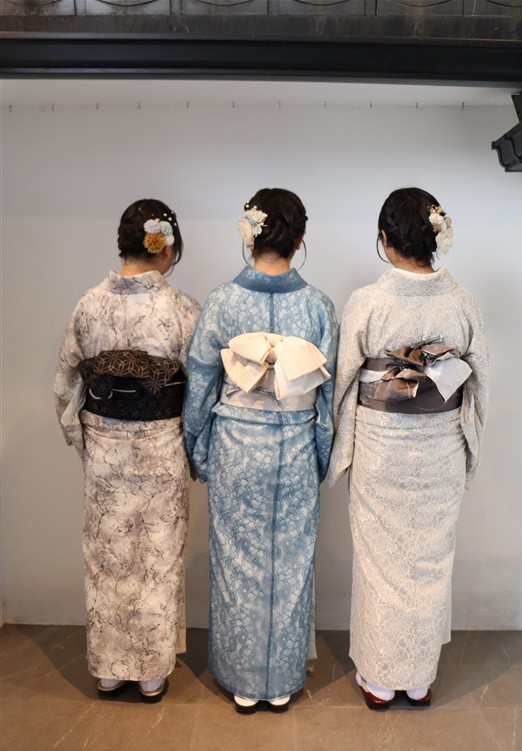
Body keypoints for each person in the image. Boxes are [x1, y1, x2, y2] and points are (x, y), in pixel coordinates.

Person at [329, 187, 489, 709]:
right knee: (429, 559)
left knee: (380, 560)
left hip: (382, 447)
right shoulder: (461, 302)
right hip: (440, 445)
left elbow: (343, 383)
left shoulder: (367, 302)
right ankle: (418, 679)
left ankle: (380, 678)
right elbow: (479, 383)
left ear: (385, 239)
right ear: (435, 236)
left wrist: (340, 443)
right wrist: (470, 443)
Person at [183, 188, 338, 713]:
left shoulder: (222, 302)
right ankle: (282, 679)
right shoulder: (317, 306)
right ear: (299, 239)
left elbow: (201, 383)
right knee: (292, 563)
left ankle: (243, 681)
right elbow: (327, 399)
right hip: (294, 444)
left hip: (236, 444)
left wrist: (197, 447)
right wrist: (319, 455)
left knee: (237, 559)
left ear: (249, 235)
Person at [53, 199, 201, 702]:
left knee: (108, 556)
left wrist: (87, 442)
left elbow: (64, 387)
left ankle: (110, 669)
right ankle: (152, 671)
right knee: (157, 556)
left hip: (105, 450)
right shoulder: (182, 310)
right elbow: (199, 394)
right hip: (162, 450)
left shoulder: (89, 305)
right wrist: (191, 449)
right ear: (168, 248)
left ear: (124, 245)